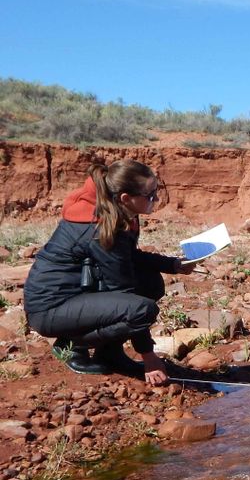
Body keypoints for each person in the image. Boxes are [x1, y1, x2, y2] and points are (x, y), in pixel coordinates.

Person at [24, 159, 194, 385]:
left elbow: (128, 257)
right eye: (150, 195)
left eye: (157, 191)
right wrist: (148, 356)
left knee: (150, 282)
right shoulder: (101, 226)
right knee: (141, 309)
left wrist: (172, 265)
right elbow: (125, 292)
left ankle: (110, 353)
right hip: (50, 308)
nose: (156, 199)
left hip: (75, 295)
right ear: (126, 198)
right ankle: (72, 345)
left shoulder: (116, 210)